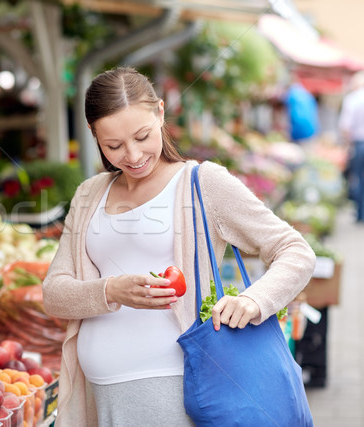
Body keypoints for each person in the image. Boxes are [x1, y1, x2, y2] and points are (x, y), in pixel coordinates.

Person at [42, 67, 316, 426]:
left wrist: (254, 300)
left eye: (142, 136)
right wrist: (112, 290)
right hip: (100, 393)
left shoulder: (203, 183)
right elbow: (54, 294)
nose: (133, 154)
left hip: (176, 392)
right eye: (114, 146)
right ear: (94, 134)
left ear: (160, 112)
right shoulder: (90, 194)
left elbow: (295, 250)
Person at [338, 71, 364, 222]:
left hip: (359, 143)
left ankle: (361, 213)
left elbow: (345, 126)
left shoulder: (352, 99)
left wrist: (348, 144)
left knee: (357, 178)